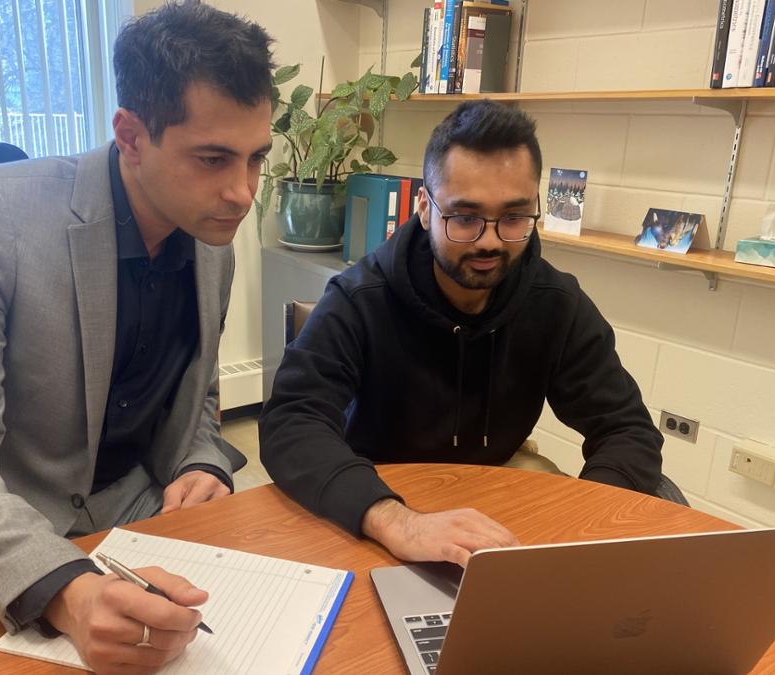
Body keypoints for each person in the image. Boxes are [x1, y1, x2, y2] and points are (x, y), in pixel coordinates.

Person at [0, 2, 274, 672]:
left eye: (256, 158)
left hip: (126, 527)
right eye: (214, 157)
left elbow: (198, 396)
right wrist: (67, 589)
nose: (243, 192)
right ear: (130, 136)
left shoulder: (210, 236)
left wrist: (201, 462)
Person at [259, 100, 663, 568]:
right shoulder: (358, 298)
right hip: (380, 494)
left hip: (498, 486)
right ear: (425, 209)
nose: (490, 241)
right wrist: (397, 520)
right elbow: (291, 421)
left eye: (513, 217)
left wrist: (581, 524)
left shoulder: (556, 302)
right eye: (465, 217)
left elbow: (626, 429)